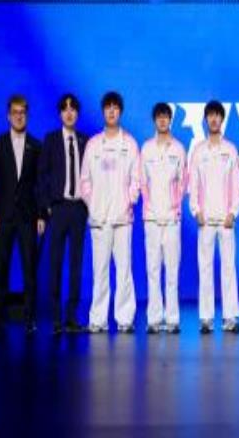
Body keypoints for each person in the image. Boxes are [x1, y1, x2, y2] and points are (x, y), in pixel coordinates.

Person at [80, 91, 140, 333]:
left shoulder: (130, 144)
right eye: (108, 107)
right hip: (99, 219)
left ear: (120, 112)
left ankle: (125, 319)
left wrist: (129, 201)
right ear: (103, 111)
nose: (112, 111)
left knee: (124, 270)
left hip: (123, 219)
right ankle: (98, 319)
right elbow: (84, 181)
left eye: (115, 107)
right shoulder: (93, 144)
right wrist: (93, 205)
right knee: (100, 271)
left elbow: (136, 179)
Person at [0, 94, 45, 334]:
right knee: (1, 268)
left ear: (27, 115)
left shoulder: (36, 145)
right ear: (8, 116)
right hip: (3, 216)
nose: (19, 116)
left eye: (22, 112)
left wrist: (41, 215)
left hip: (28, 217)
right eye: (15, 112)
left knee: (29, 270)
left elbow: (40, 184)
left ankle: (29, 319)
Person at [189, 100, 239, 334]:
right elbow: (193, 184)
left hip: (226, 220)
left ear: (222, 119)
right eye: (210, 115)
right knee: (205, 268)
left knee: (228, 268)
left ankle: (230, 317)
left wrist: (233, 212)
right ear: (205, 120)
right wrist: (196, 211)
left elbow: (236, 185)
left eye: (217, 115)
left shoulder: (230, 149)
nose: (213, 119)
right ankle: (206, 318)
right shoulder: (199, 151)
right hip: (205, 219)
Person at [38, 94, 89, 335]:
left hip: (79, 209)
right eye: (65, 109)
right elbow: (42, 175)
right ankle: (57, 317)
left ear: (77, 114)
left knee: (76, 264)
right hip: (58, 208)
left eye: (73, 109)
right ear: (60, 114)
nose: (69, 113)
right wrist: (47, 206)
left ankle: (71, 316)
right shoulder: (50, 139)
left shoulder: (85, 140)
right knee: (56, 263)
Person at [140, 103, 187, 334]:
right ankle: (154, 318)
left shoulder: (178, 149)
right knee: (152, 269)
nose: (162, 120)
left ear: (170, 120)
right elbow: (142, 182)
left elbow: (183, 182)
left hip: (171, 219)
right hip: (151, 219)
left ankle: (172, 318)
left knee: (172, 270)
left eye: (166, 117)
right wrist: (149, 208)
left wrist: (175, 207)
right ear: (154, 120)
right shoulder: (146, 148)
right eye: (158, 116)